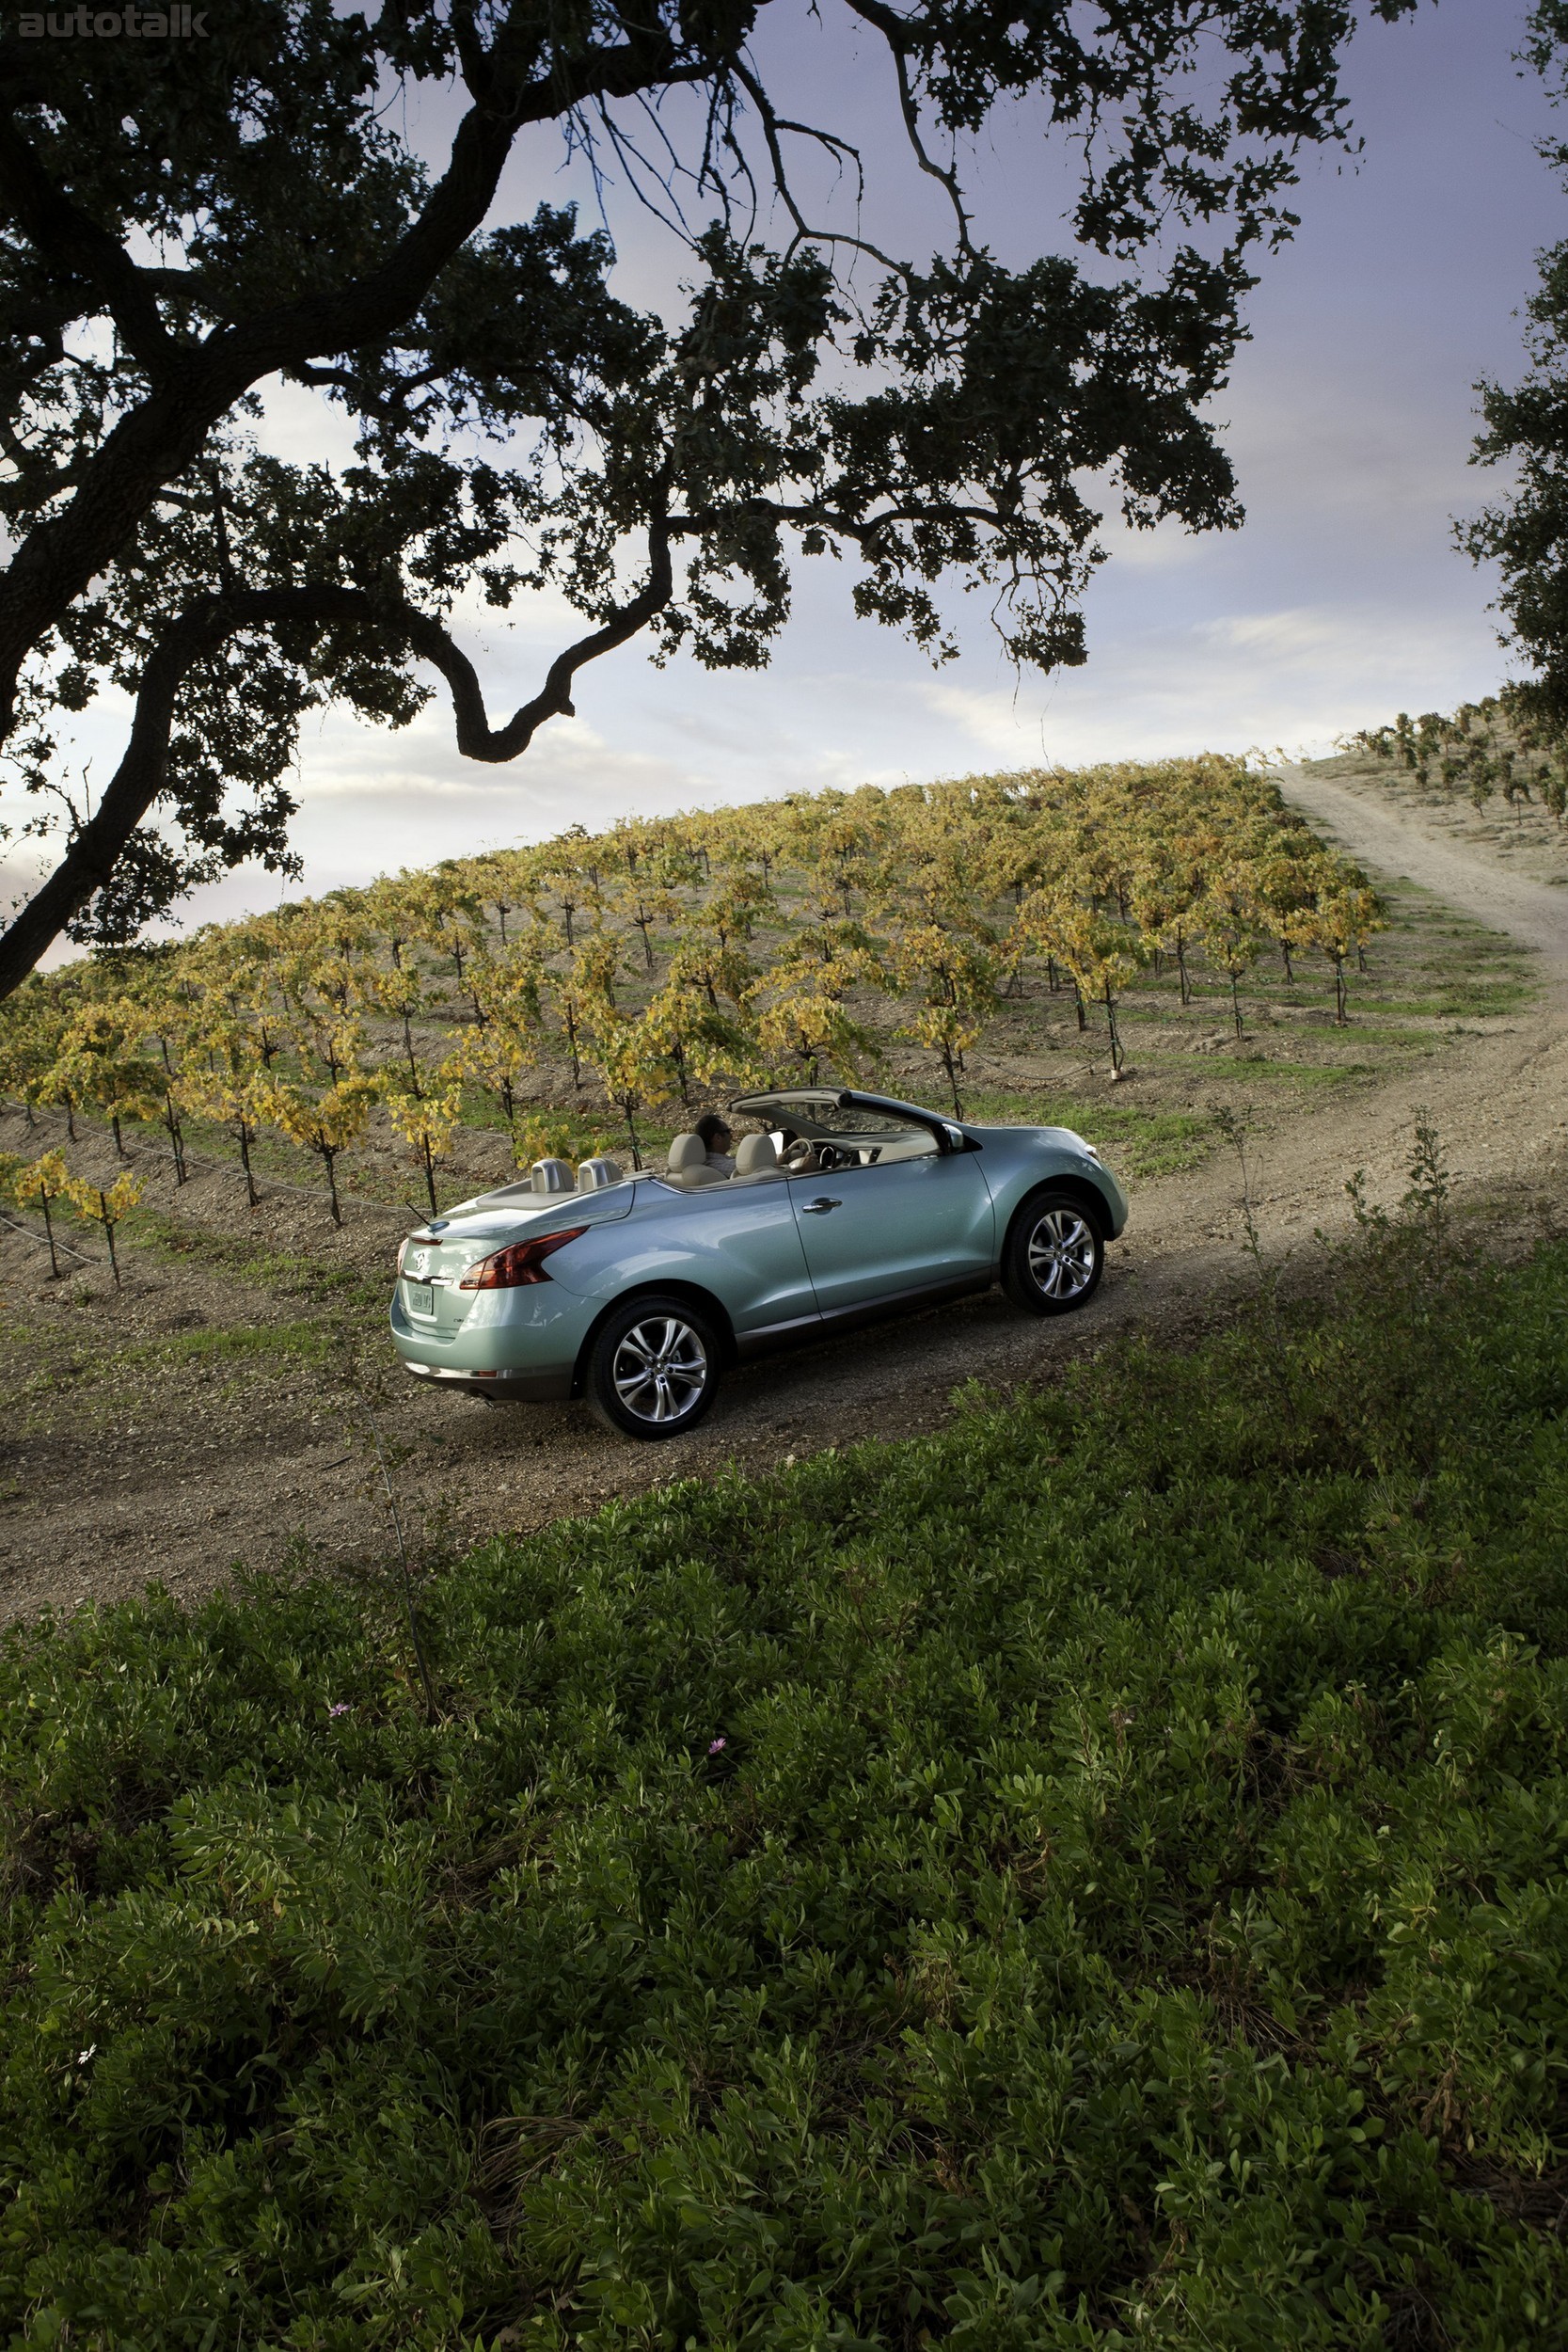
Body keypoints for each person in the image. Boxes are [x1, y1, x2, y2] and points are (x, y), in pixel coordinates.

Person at [694, 1112, 736, 1176]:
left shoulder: (698, 1166)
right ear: (718, 1138)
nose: (731, 1136)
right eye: (728, 1131)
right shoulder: (734, 1167)